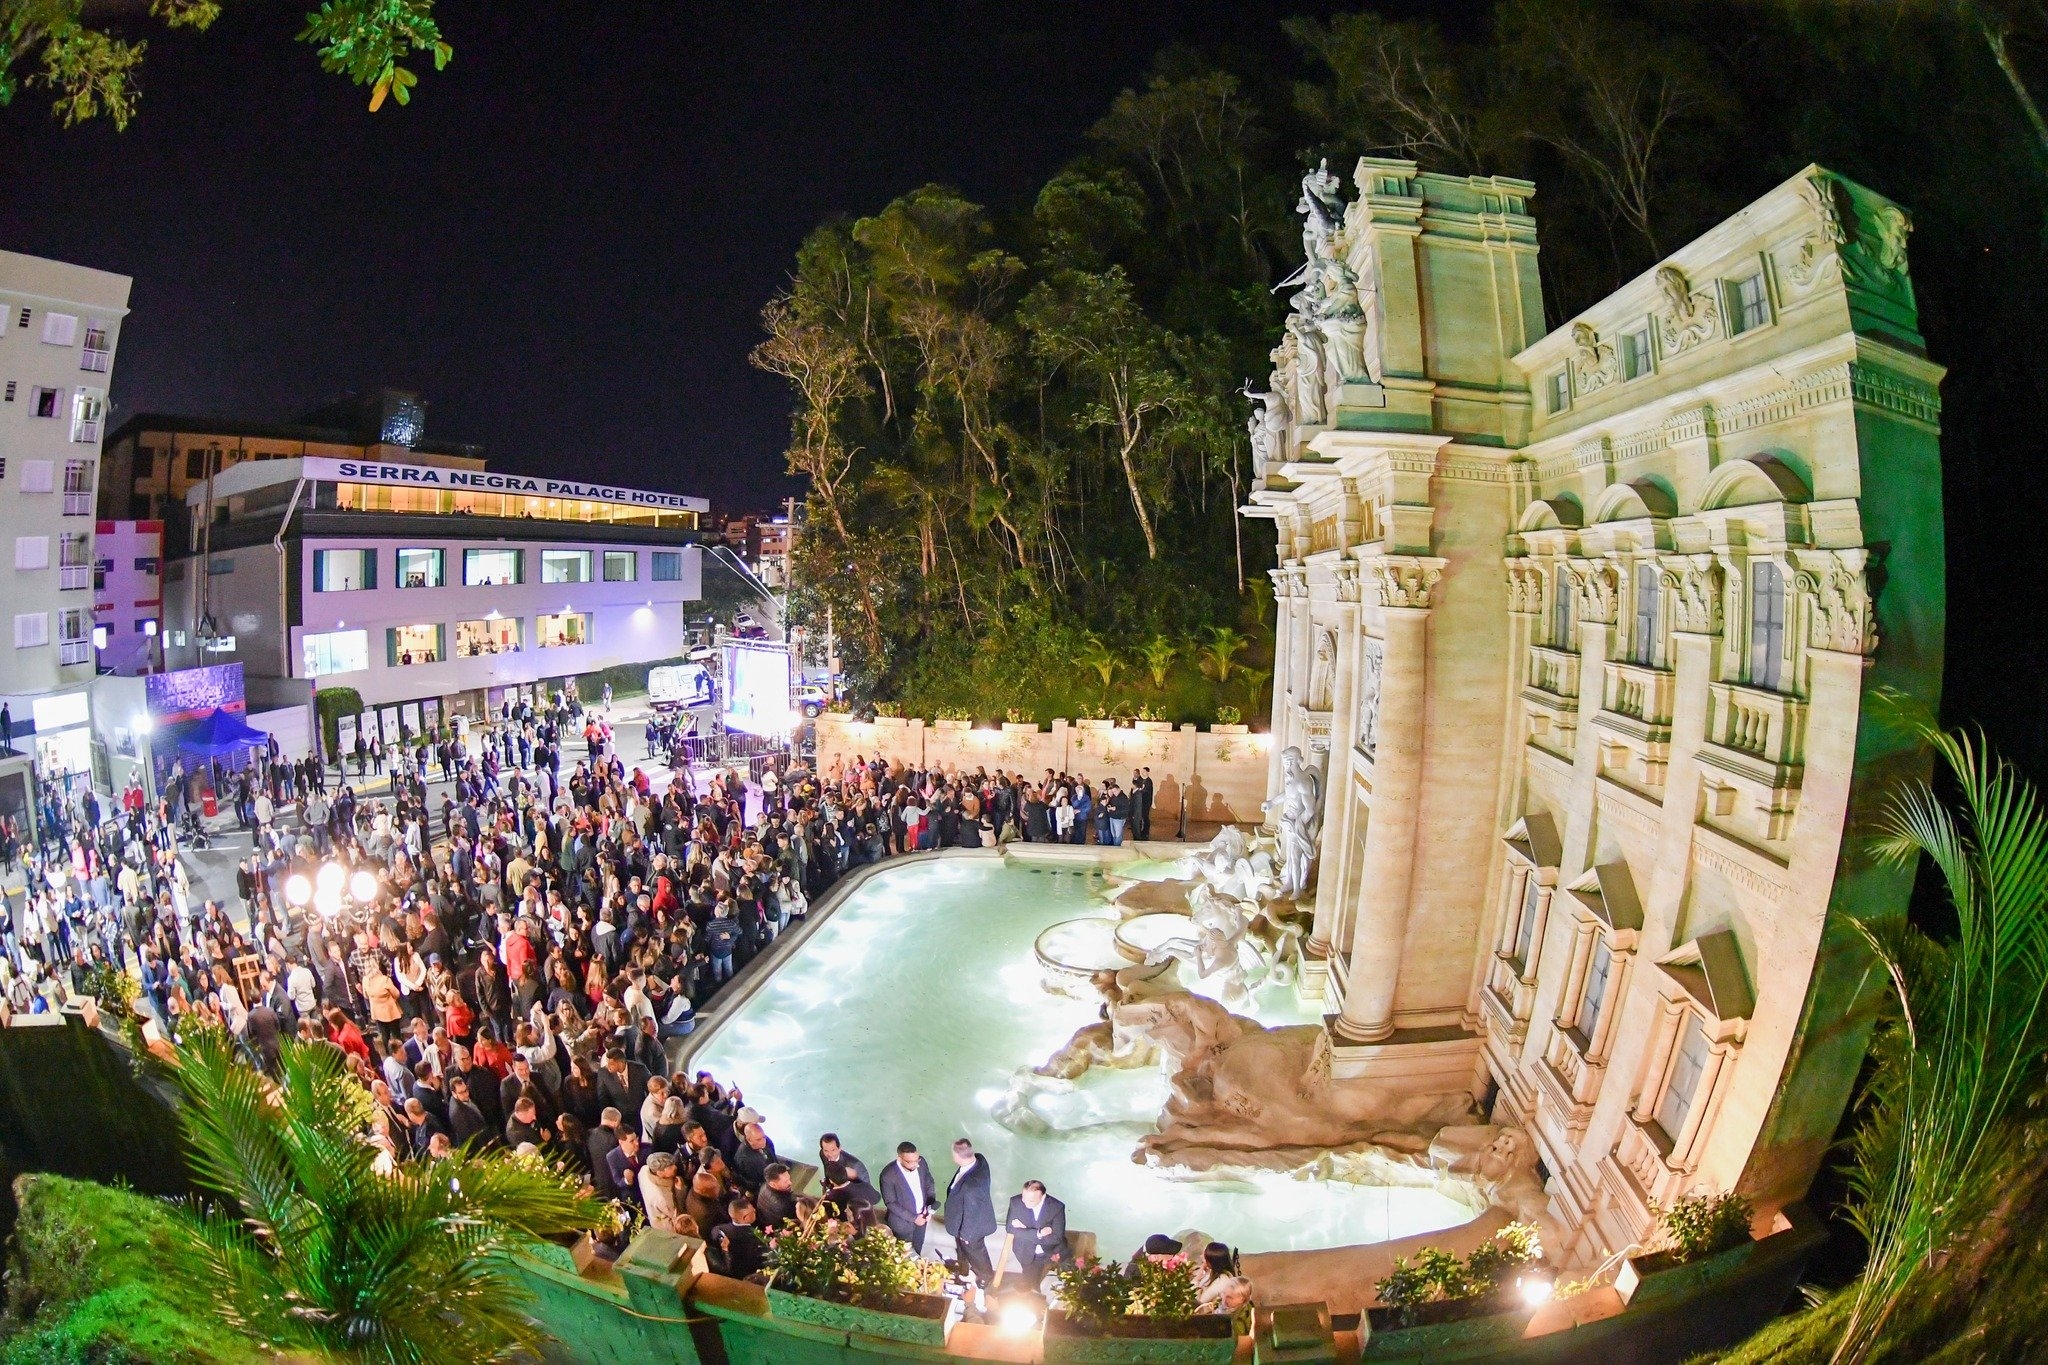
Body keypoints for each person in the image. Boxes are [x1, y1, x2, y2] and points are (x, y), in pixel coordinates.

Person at [944, 1138, 997, 1284]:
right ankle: (964, 1270)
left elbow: (971, 1214)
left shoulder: (971, 1187)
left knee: (976, 1253)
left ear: (957, 1156)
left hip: (972, 1229)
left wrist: (966, 1235)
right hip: (964, 1221)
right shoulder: (980, 1160)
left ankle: (986, 1277)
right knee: (963, 1251)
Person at [1005, 1179, 1070, 1287]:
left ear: (1043, 1197)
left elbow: (1057, 1237)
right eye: (1023, 1197)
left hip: (1052, 1251)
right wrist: (1038, 1234)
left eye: (1031, 1201)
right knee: (1031, 1286)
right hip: (1026, 1252)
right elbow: (1010, 1229)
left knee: (1062, 1284)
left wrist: (1024, 1230)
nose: (1025, 1203)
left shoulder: (1056, 1207)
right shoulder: (1015, 1202)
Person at [880, 1141, 938, 1255]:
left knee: (918, 1249)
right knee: (904, 1254)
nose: (915, 1165)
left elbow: (929, 1183)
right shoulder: (888, 1175)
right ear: (899, 1158)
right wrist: (914, 1218)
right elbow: (891, 1203)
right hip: (902, 1225)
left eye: (917, 1160)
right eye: (910, 1162)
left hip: (923, 1218)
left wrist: (930, 1206)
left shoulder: (922, 1163)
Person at [710, 1195, 769, 1279]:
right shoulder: (754, 1239)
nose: (755, 1210)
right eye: (753, 1211)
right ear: (745, 1218)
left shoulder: (719, 1229)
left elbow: (715, 1232)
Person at [639, 1152, 689, 1234]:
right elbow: (678, 1214)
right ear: (660, 1173)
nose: (675, 1167)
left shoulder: (644, 1170)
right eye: (669, 1167)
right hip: (669, 1229)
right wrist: (680, 1190)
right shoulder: (662, 1198)